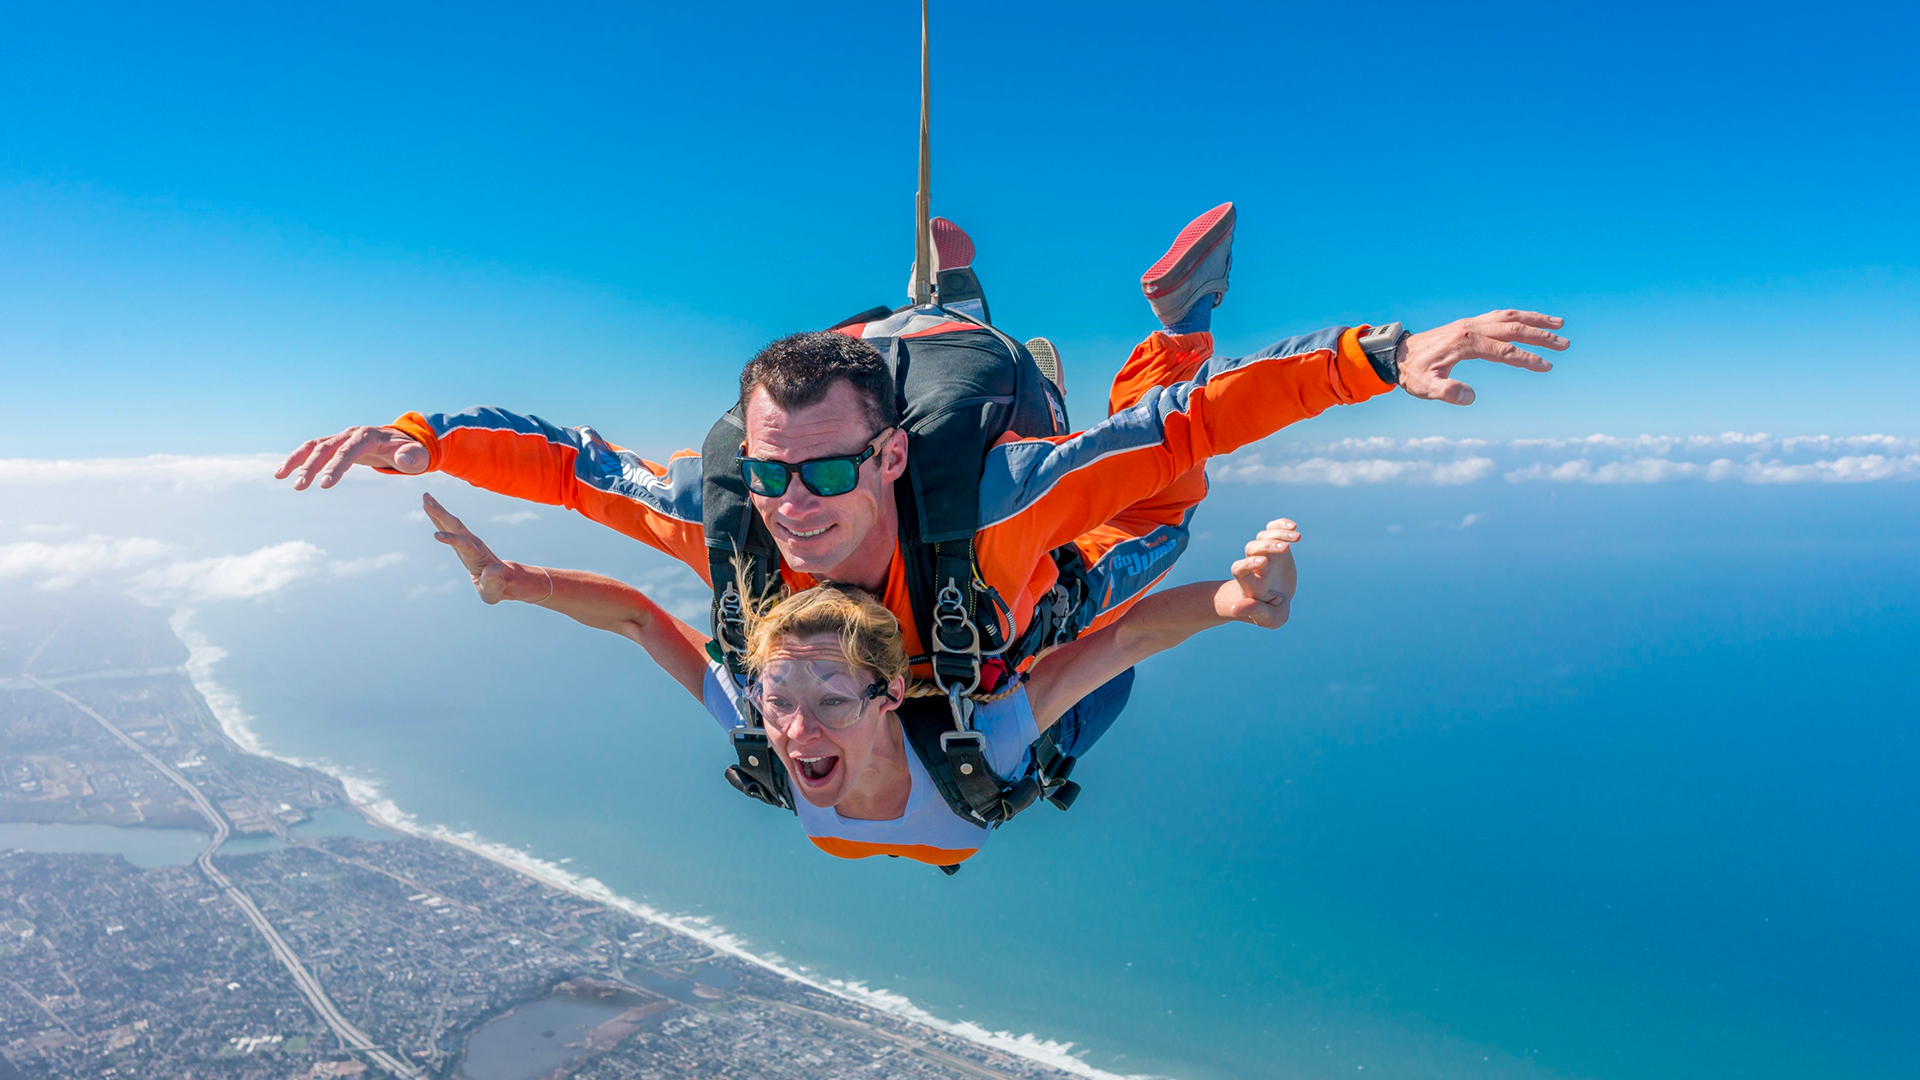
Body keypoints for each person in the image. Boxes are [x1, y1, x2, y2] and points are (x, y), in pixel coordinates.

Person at [274, 206, 1568, 689]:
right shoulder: (723, 516)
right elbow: (569, 465)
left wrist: (1378, 356)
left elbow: (1184, 424)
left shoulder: (997, 506)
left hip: (1010, 569)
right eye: (771, 472)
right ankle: (951, 302)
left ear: (889, 461)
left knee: (1160, 505)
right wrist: (418, 443)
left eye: (828, 470)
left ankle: (1161, 320)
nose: (791, 503)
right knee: (1134, 476)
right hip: (935, 481)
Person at [420, 492, 1302, 869]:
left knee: (1083, 605)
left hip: (1041, 714)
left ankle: (1166, 343)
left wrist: (1233, 601)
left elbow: (1126, 640)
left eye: (828, 702)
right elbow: (641, 619)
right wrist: (512, 582)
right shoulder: (776, 717)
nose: (794, 730)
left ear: (889, 697)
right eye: (778, 699)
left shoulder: (987, 734)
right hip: (982, 774)